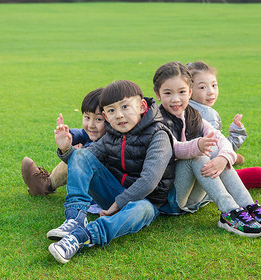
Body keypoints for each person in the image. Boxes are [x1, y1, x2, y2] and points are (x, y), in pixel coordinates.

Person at [48, 80, 175, 264]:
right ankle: (75, 218)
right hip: (114, 192)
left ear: (142, 106)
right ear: (106, 116)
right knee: (81, 155)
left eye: (125, 107)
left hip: (146, 201)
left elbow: (149, 181)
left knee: (140, 209)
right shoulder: (111, 134)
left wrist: (117, 205)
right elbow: (82, 161)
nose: (119, 116)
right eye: (112, 110)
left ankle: (81, 236)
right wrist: (66, 149)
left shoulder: (159, 135)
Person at [154, 61, 261, 238]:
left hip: (194, 198)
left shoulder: (193, 115)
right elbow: (172, 149)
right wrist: (197, 146)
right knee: (196, 156)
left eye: (181, 92)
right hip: (171, 198)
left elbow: (221, 140)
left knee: (218, 155)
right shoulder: (157, 121)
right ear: (157, 94)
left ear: (190, 92)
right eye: (168, 93)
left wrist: (223, 159)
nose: (176, 99)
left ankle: (249, 206)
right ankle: (229, 213)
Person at [186, 61, 261, 189]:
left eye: (214, 85)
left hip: (188, 172)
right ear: (189, 90)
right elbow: (214, 157)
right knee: (260, 175)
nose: (211, 92)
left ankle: (232, 159)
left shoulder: (178, 109)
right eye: (202, 87)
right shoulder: (206, 115)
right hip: (203, 178)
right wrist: (236, 135)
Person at [21, 88, 105, 196]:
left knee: (80, 154)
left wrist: (76, 152)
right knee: (78, 152)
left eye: (98, 119)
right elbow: (82, 133)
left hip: (104, 195)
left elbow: (95, 152)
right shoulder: (97, 132)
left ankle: (46, 184)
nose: (91, 125)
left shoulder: (111, 140)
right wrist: (69, 135)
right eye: (87, 117)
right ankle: (46, 183)